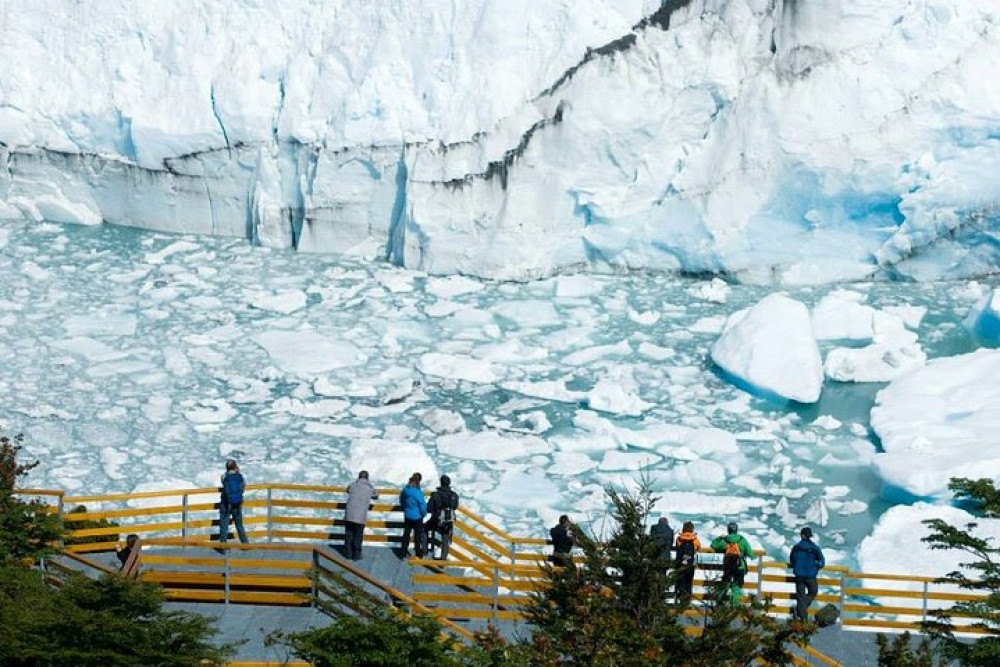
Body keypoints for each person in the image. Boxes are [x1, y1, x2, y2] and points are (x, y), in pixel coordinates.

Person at [789, 526, 826, 621]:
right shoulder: (814, 548)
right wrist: (815, 566)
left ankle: (802, 619)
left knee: (800, 597)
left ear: (802, 536)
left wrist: (797, 566)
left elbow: (792, 560)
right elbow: (822, 562)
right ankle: (801, 611)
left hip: (799, 576)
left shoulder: (796, 548)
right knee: (813, 592)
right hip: (810, 575)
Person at [710, 521, 753, 603]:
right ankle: (734, 607)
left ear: (728, 530)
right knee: (736, 587)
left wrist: (720, 538)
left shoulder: (725, 541)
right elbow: (751, 554)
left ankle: (718, 605)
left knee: (724, 585)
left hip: (728, 566)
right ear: (737, 530)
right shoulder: (742, 540)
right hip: (739, 567)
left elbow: (713, 545)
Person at [344, 470, 378, 561]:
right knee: (358, 536)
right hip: (360, 516)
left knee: (349, 534)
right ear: (367, 478)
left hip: (349, 514)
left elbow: (347, 490)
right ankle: (356, 555)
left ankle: (348, 554)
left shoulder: (352, 485)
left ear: (358, 477)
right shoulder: (369, 488)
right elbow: (376, 495)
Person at [425, 475, 460, 561]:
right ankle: (443, 559)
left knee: (423, 529)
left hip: (436, 521)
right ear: (449, 483)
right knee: (445, 539)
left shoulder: (435, 495)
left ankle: (425, 551)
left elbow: (428, 509)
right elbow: (455, 507)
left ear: (440, 483)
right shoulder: (454, 495)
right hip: (448, 521)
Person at [219, 459, 248, 544]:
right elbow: (243, 486)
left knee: (224, 526)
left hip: (226, 504)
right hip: (237, 504)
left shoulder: (224, 477)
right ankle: (245, 544)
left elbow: (223, 481)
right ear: (235, 466)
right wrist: (238, 472)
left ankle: (223, 547)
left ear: (226, 468)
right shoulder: (239, 477)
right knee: (239, 525)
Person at [399, 473, 427, 558]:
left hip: (407, 515)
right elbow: (422, 505)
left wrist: (405, 508)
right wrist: (423, 513)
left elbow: (402, 500)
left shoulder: (405, 490)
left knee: (406, 534)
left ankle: (403, 552)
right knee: (417, 536)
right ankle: (418, 553)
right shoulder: (418, 492)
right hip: (417, 517)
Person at [674, 521, 701, 604]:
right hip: (690, 564)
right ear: (692, 529)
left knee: (680, 581)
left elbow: (677, 546)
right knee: (689, 582)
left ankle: (679, 599)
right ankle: (687, 600)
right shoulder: (695, 539)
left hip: (681, 563)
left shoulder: (679, 538)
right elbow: (698, 547)